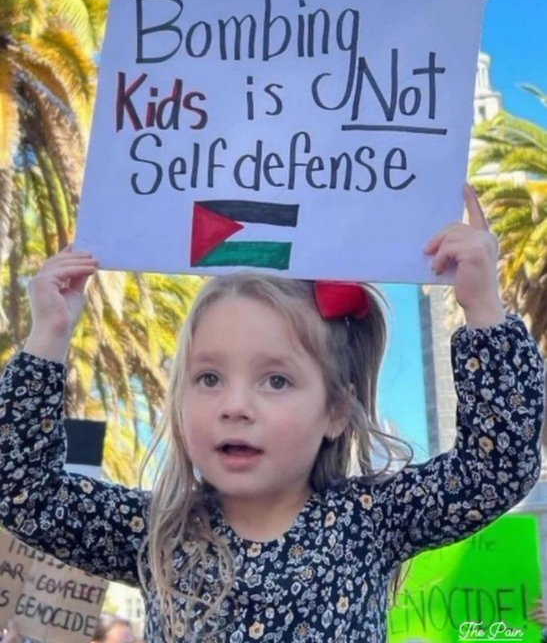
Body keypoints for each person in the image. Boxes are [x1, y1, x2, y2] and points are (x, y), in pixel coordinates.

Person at [0, 186, 543, 642]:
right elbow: (24, 492)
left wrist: (483, 307)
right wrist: (49, 334)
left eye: (276, 380)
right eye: (209, 378)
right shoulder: (155, 533)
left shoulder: (372, 520)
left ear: (335, 411)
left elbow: (494, 469)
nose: (235, 406)